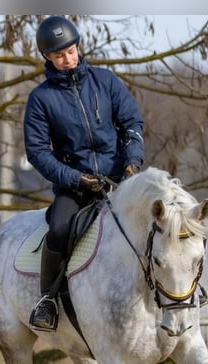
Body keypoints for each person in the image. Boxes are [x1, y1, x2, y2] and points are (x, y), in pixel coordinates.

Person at [24, 15, 145, 331]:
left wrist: (132, 163)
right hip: (75, 185)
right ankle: (47, 300)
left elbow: (132, 124)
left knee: (156, 221)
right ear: (48, 58)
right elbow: (37, 152)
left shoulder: (106, 81)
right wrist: (73, 178)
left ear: (78, 47)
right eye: (59, 55)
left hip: (119, 178)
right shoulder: (40, 99)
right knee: (60, 230)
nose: (67, 59)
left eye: (70, 51)